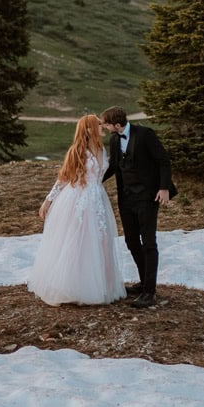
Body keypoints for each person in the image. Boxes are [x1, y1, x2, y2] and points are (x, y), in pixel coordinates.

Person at [27, 114, 126, 306]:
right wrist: (48, 200)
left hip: (98, 199)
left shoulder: (102, 148)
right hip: (79, 199)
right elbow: (63, 178)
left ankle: (102, 286)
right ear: (88, 129)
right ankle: (74, 287)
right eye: (98, 125)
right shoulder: (77, 151)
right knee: (78, 241)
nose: (102, 127)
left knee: (102, 242)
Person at [100, 106, 176, 308]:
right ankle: (144, 282)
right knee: (131, 241)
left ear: (116, 124)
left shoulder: (145, 135)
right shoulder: (115, 139)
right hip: (126, 198)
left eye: (106, 124)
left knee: (149, 242)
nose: (104, 127)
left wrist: (164, 187)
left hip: (147, 197)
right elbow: (115, 166)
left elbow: (163, 161)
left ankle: (149, 292)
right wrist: (94, 181)